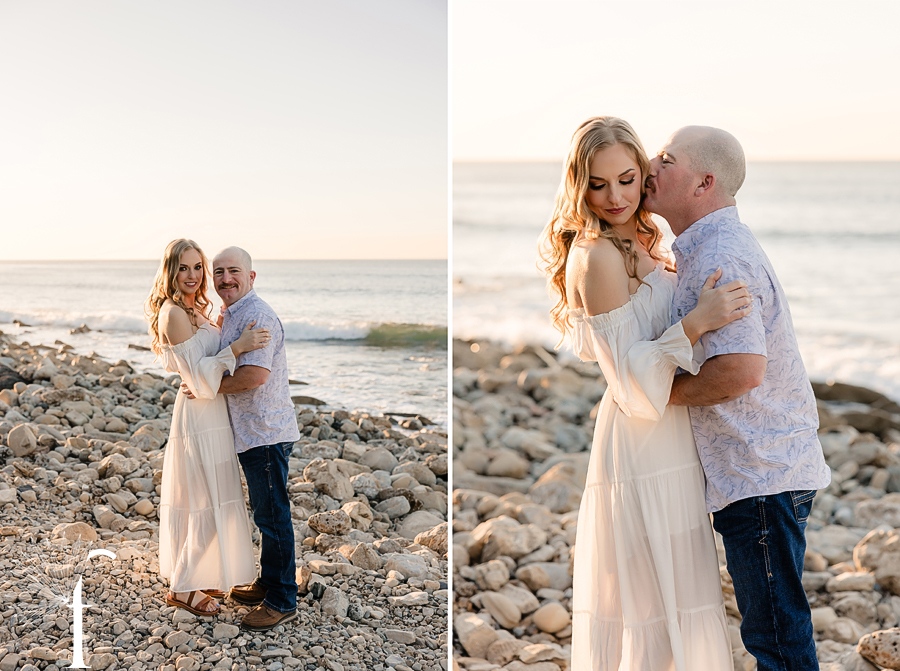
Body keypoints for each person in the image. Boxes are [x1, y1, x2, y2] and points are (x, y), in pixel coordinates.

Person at [538, 116, 753, 670]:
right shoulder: (597, 256)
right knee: (648, 600)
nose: (615, 197)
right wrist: (696, 324)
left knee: (684, 588)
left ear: (643, 175)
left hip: (674, 434)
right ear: (578, 185)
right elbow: (628, 384)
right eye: (598, 183)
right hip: (639, 441)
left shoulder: (644, 237)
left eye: (627, 179)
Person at [645, 126, 831, 671]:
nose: (652, 166)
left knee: (775, 635)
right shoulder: (703, 249)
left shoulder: (719, 255)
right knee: (774, 626)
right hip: (762, 467)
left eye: (666, 159)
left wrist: (657, 393)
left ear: (705, 181)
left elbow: (743, 371)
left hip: (761, 471)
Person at [145, 238, 268, 616]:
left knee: (216, 495)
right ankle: (183, 586)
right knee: (203, 499)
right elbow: (198, 378)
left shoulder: (194, 308)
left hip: (213, 412)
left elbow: (205, 367)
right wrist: (239, 346)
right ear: (170, 271)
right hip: (198, 413)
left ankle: (198, 572)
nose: (193, 275)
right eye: (184, 268)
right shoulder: (173, 314)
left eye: (198, 267)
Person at [182, 246, 301, 631]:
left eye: (234, 271)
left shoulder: (256, 314)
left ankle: (282, 599)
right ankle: (268, 582)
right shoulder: (231, 314)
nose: (225, 278)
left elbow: (254, 376)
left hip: (265, 431)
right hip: (251, 431)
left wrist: (205, 389)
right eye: (218, 272)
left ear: (251, 277)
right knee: (266, 512)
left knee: (273, 516)